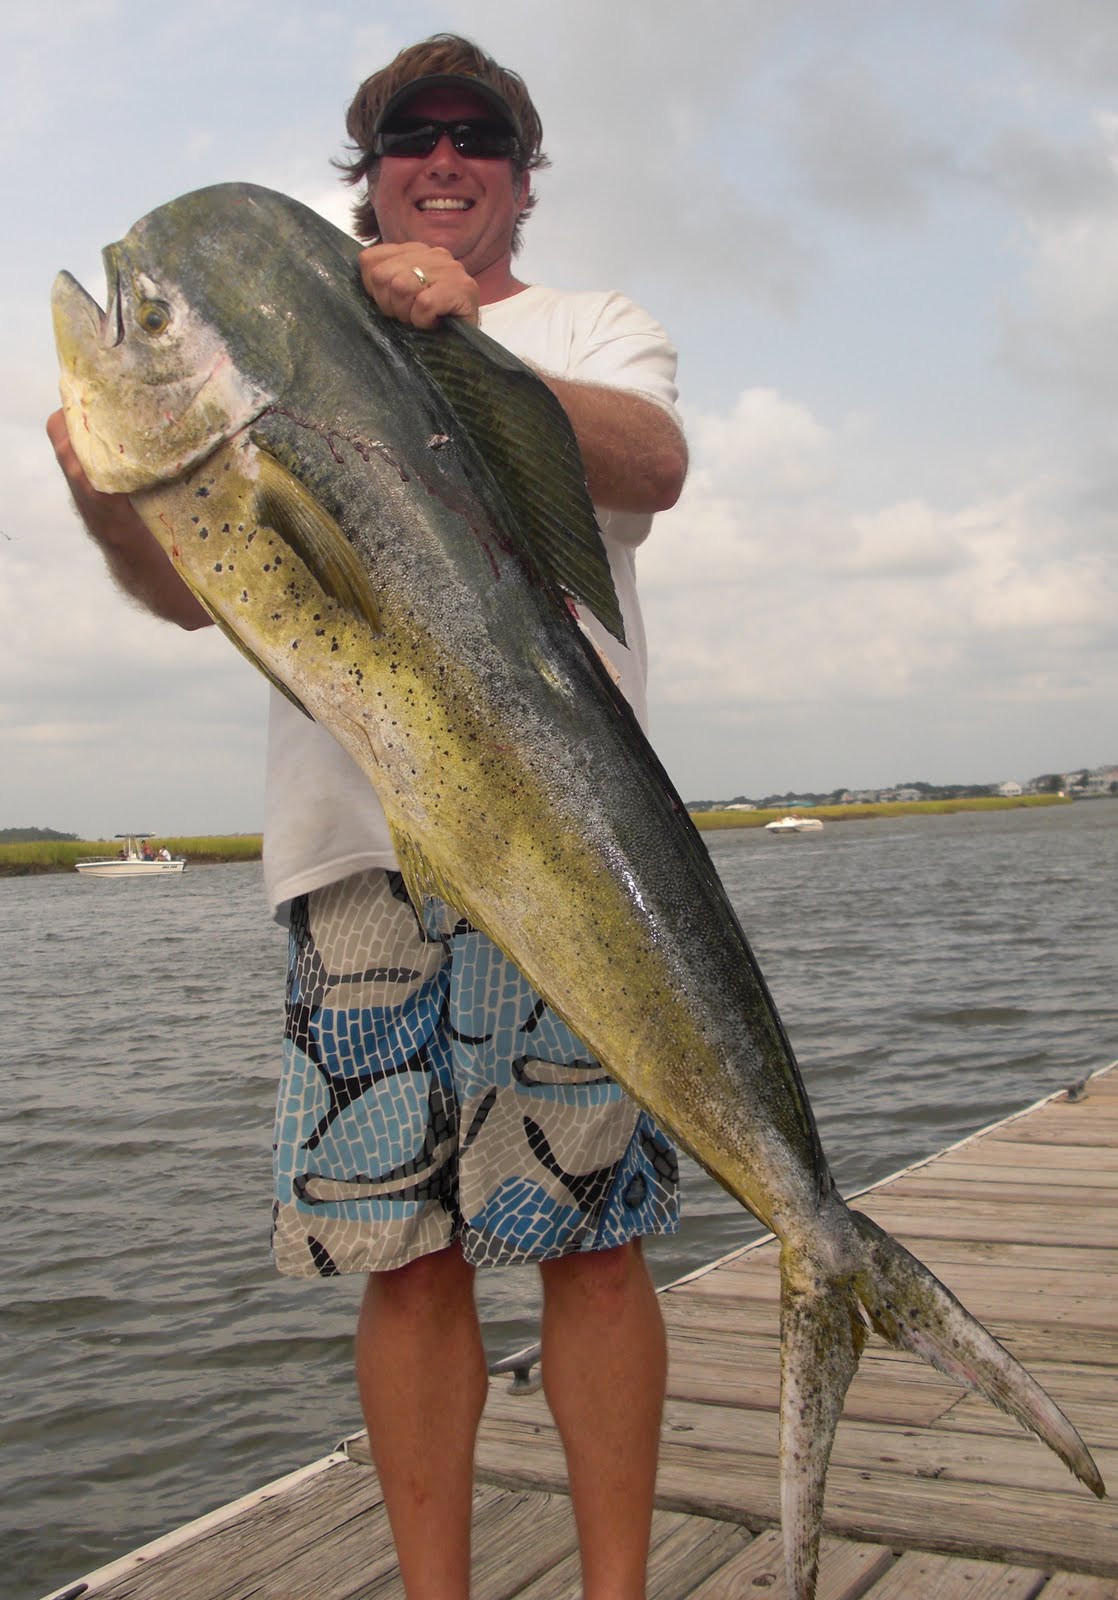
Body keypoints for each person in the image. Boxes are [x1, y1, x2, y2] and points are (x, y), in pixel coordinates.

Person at [49, 33, 688, 1600]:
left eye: (480, 137)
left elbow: (654, 466)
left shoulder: (589, 323)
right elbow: (187, 601)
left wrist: (472, 334)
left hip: (566, 852)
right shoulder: (265, 347)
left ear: (523, 180)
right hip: (351, 857)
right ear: (370, 169)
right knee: (401, 1264)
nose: (445, 159)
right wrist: (103, 485)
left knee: (591, 1243)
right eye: (413, 136)